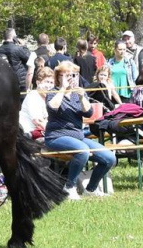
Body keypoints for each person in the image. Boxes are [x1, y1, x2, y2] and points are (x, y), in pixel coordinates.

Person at [44, 62, 116, 199]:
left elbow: (88, 113)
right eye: (67, 75)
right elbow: (52, 108)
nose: (72, 78)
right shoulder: (52, 92)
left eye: (74, 75)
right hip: (56, 136)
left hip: (78, 137)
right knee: (83, 151)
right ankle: (69, 187)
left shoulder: (78, 94)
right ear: (58, 77)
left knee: (109, 158)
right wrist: (63, 89)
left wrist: (83, 97)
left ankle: (91, 189)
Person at [19, 66, 55, 140]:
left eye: (51, 83)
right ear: (38, 83)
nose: (49, 86)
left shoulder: (50, 99)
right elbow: (38, 122)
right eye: (46, 82)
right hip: (29, 134)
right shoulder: (33, 96)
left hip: (43, 132)